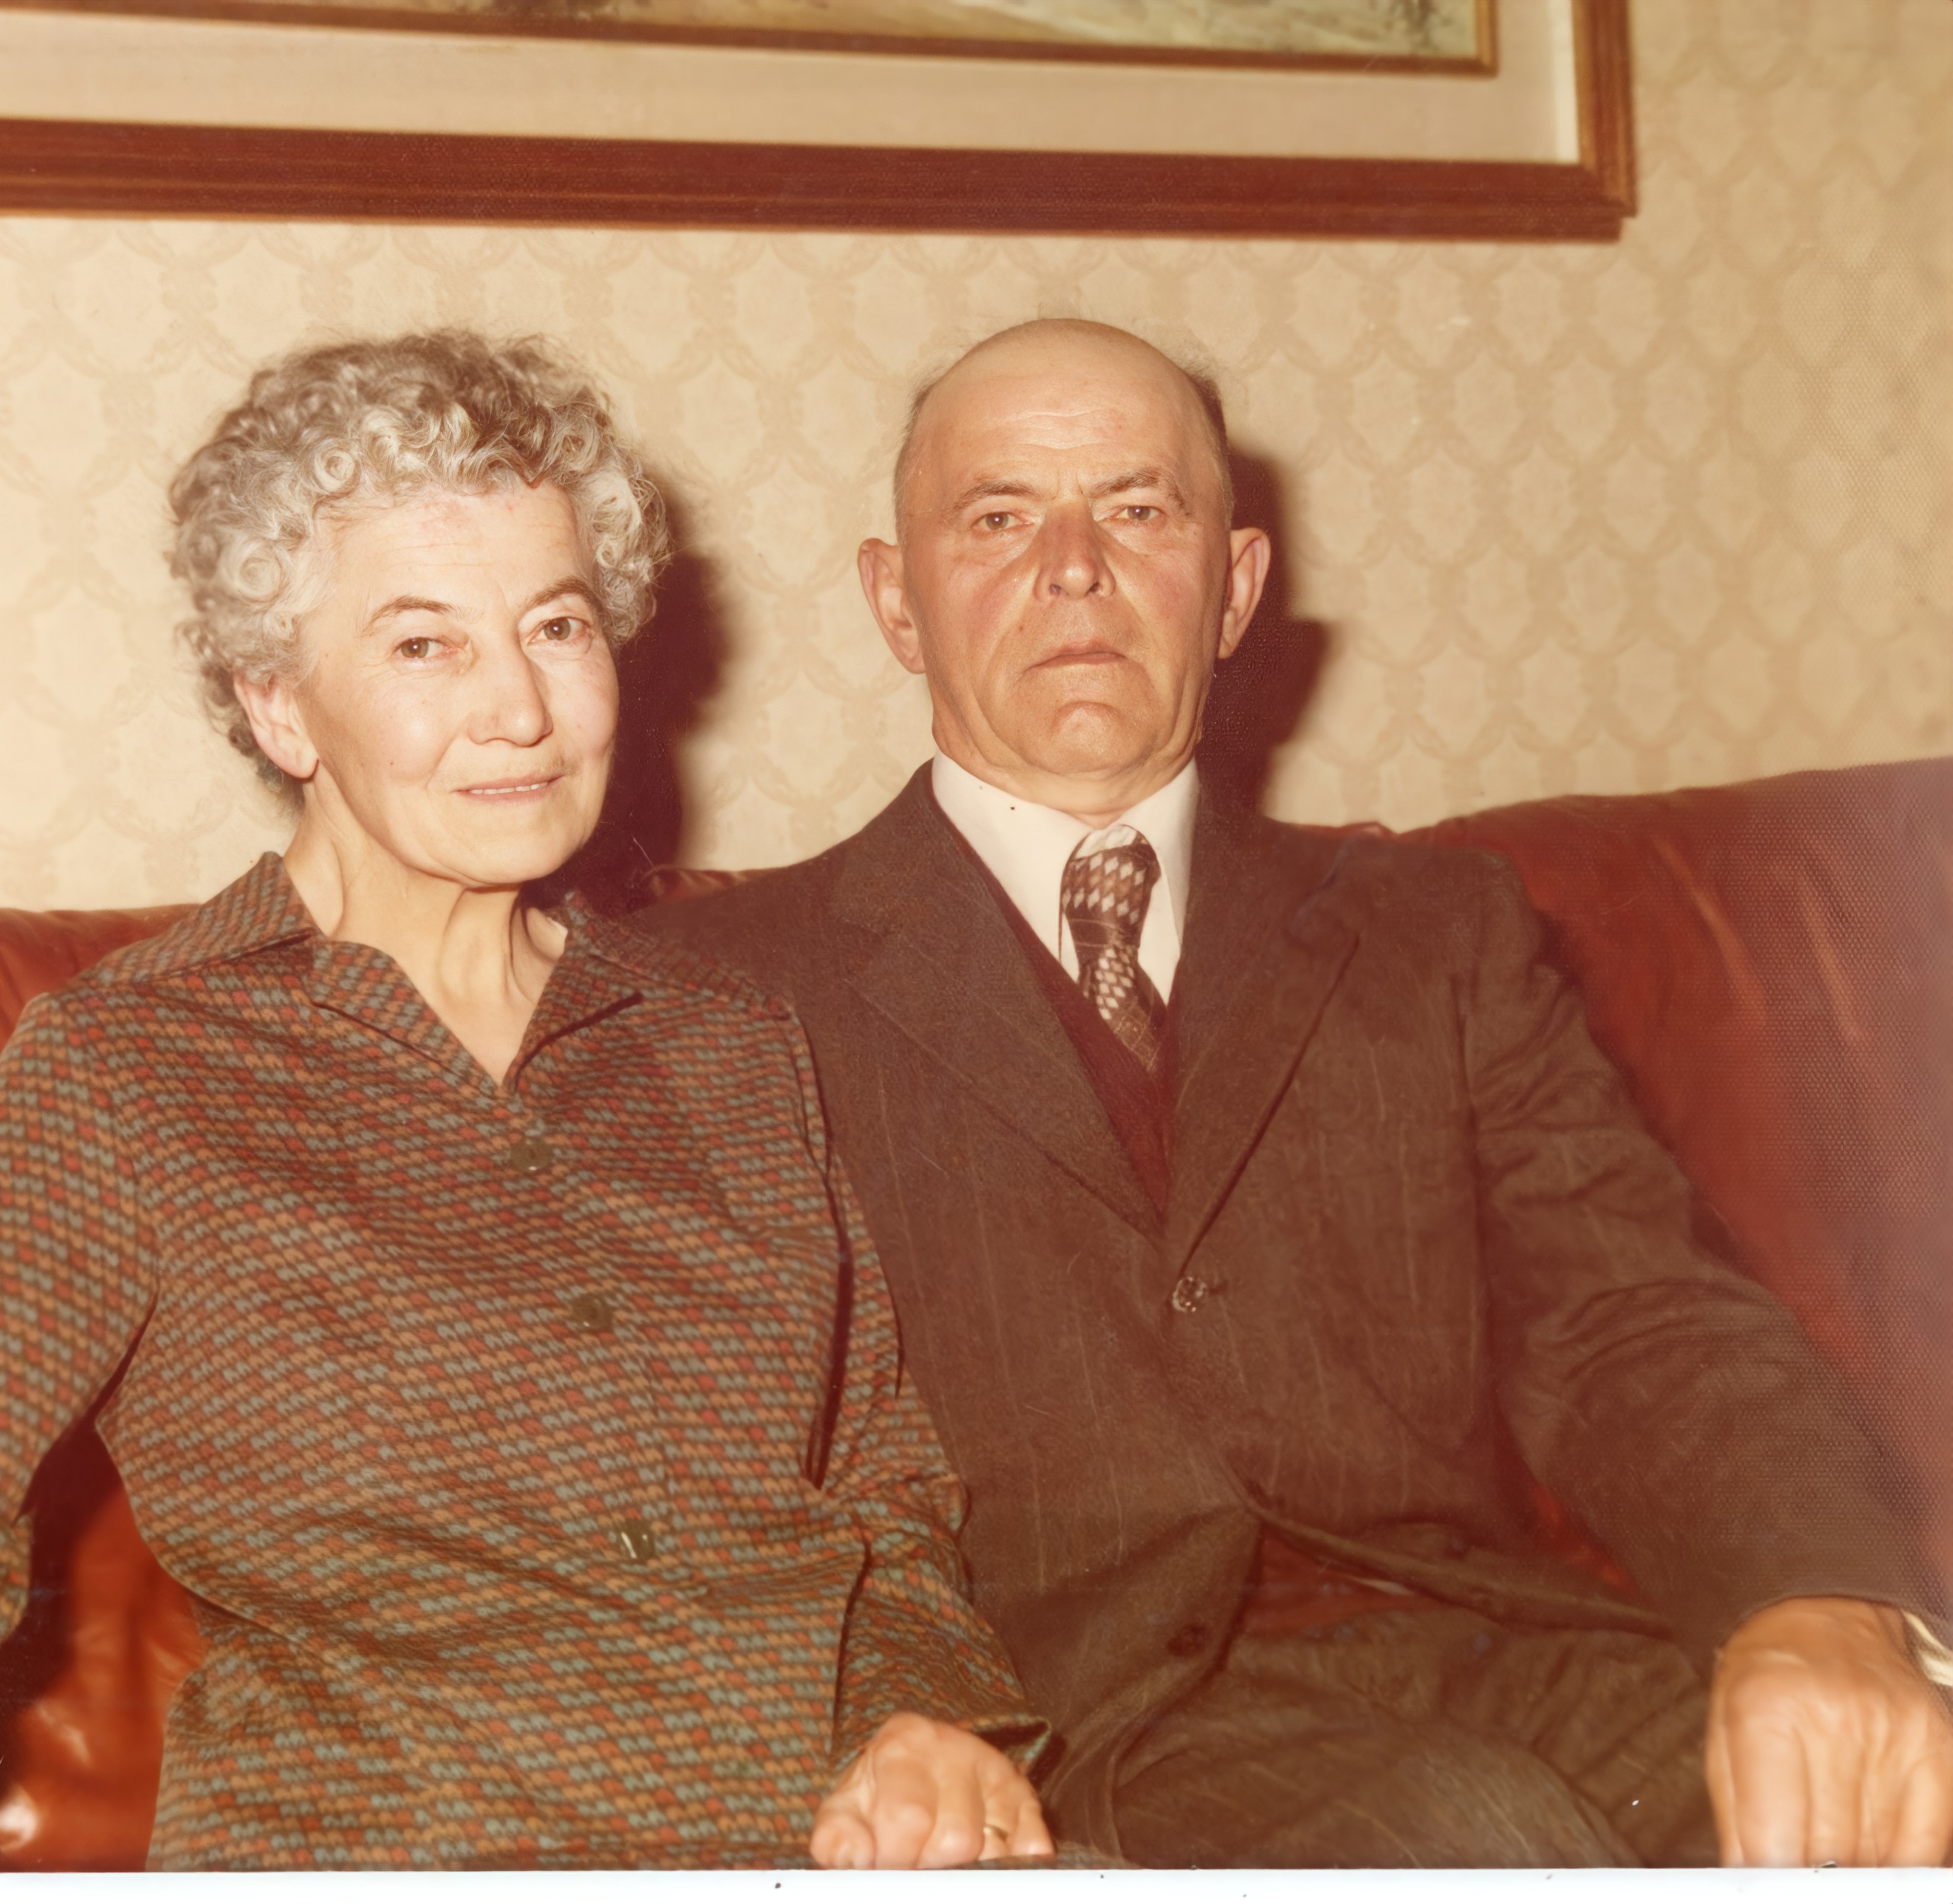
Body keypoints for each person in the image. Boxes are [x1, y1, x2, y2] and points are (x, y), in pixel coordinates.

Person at [0, 333, 1057, 1874]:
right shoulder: (129, 1063)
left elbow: (879, 1483)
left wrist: (926, 1718)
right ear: (280, 706)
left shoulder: (727, 1039)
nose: (522, 710)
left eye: (556, 625)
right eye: (423, 646)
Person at [643, 318, 1953, 1868]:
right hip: (1069, 1728)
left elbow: (1630, 1318)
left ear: (1234, 589)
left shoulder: (1430, 931)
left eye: (1139, 509)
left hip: (1491, 1655)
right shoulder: (720, 988)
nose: (1074, 569)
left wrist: (1816, 1595)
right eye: (997, 518)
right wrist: (882, 1714)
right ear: (894, 601)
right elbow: (704, 1467)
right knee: (1473, 1840)